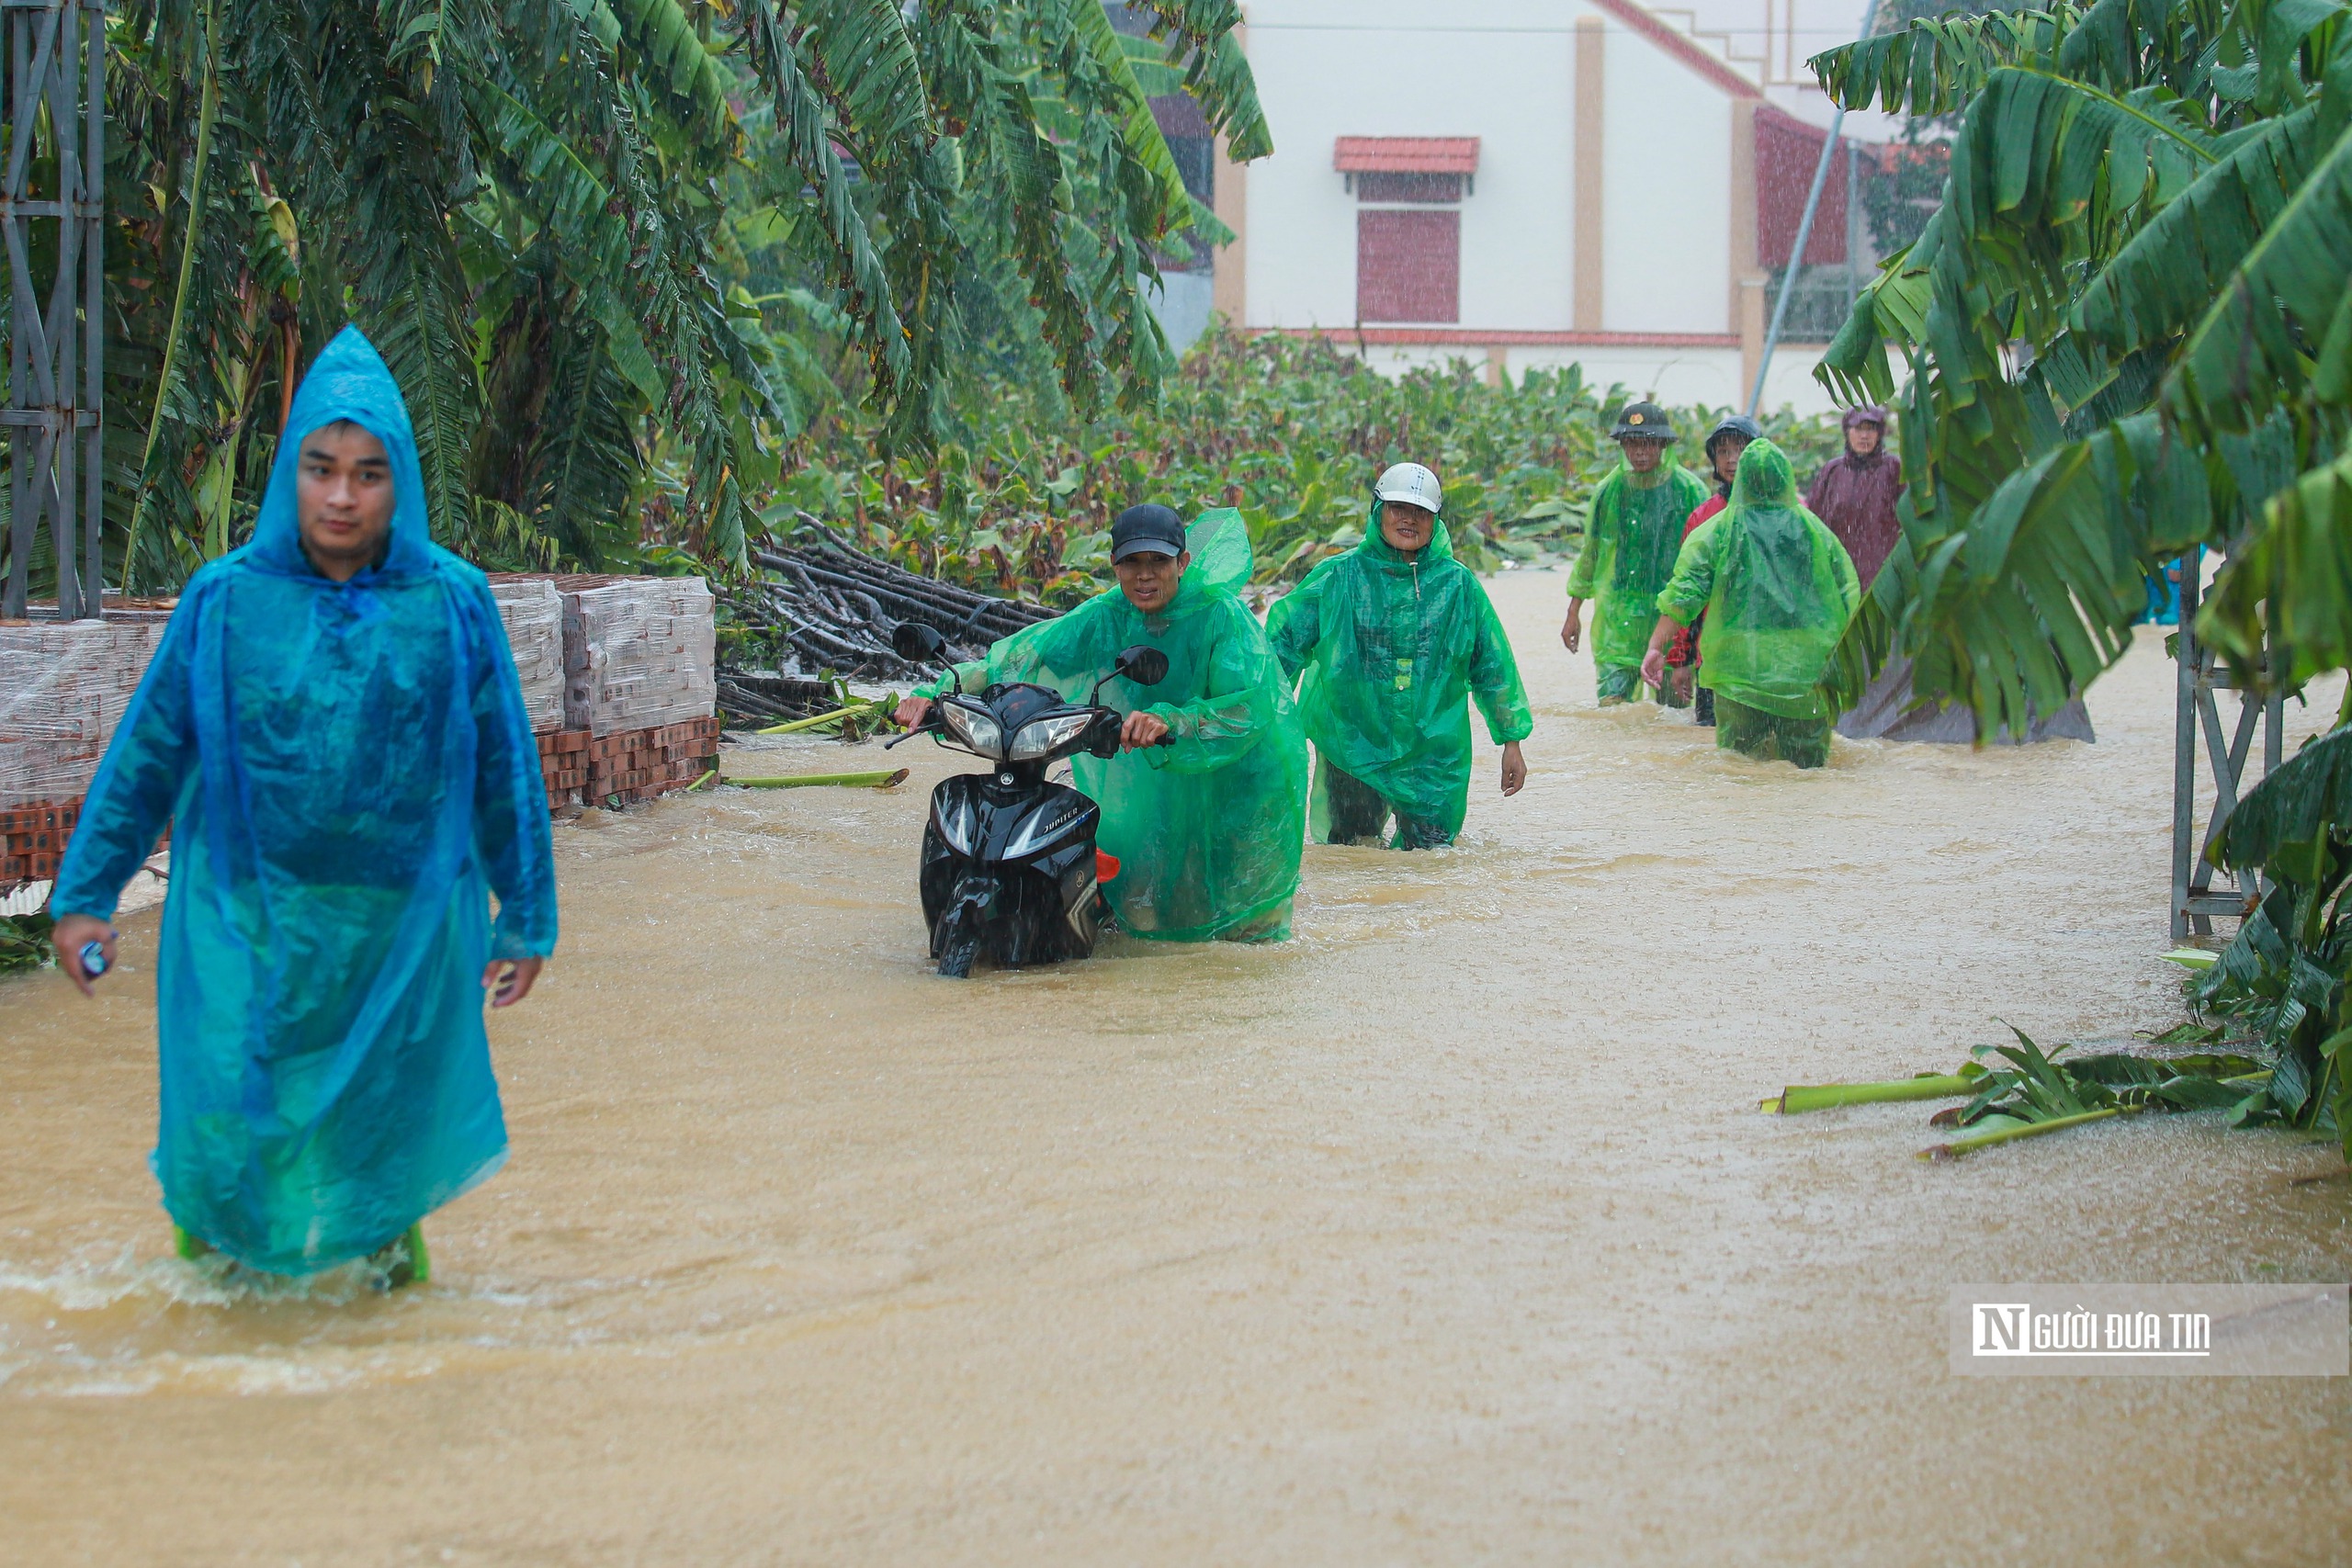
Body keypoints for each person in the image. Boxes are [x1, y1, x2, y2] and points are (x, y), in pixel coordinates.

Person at [48, 327, 558, 1285]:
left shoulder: (450, 602)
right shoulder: (225, 602)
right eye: (321, 468)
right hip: (244, 926)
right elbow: (146, 756)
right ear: (291, 471)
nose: (340, 495)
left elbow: (502, 768)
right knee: (233, 1131)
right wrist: (86, 894)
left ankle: (382, 1330)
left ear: (399, 481)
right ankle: (216, 1317)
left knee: (379, 1139)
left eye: (368, 473)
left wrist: (524, 919)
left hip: (397, 932)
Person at [893, 504, 1306, 941]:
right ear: (1114, 565)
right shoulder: (1106, 615)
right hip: (1165, 771)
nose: (1144, 575)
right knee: (1160, 909)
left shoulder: (1222, 616)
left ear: (1183, 563)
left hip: (1241, 781)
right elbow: (1020, 657)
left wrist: (1173, 722)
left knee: (1237, 927)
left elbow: (1247, 710)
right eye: (1132, 562)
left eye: (1159, 562)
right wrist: (934, 694)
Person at [1266, 463, 1532, 849]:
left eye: (1422, 512)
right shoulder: (1338, 577)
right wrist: (1258, 720)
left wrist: (1511, 741)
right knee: (1354, 856)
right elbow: (1279, 649)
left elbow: (1492, 666)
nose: (1410, 519)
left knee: (1431, 860)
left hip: (1432, 753)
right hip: (1353, 741)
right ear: (1377, 510)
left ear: (1436, 520)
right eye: (1399, 508)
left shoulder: (1457, 585)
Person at [1639, 438, 1860, 769]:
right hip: (1803, 671)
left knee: (1739, 765)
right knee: (1806, 769)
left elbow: (1683, 595)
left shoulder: (1717, 531)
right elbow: (1848, 592)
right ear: (1785, 477)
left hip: (1738, 669)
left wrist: (1657, 646)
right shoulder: (1814, 530)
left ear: (1742, 480)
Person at [1561, 401, 1711, 705]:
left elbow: (1705, 562)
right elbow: (1591, 552)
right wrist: (1573, 611)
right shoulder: (1609, 491)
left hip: (1673, 616)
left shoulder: (1690, 491)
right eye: (1631, 444)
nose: (1639, 452)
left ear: (1663, 445)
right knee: (1612, 708)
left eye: (1647, 444)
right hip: (1620, 618)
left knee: (1674, 712)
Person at [1663, 413, 1762, 727]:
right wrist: (1681, 660)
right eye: (1723, 452)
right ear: (1714, 460)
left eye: (1740, 450)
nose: (1732, 460)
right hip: (1712, 661)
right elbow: (1687, 594)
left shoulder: (1779, 514)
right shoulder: (1702, 518)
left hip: (1764, 658)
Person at [1804, 406, 1903, 588]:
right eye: (1858, 429)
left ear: (1879, 433)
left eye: (1870, 429)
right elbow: (1814, 522)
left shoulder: (1893, 469)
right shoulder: (1833, 471)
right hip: (1839, 575)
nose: (1864, 436)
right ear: (1847, 432)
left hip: (1881, 576)